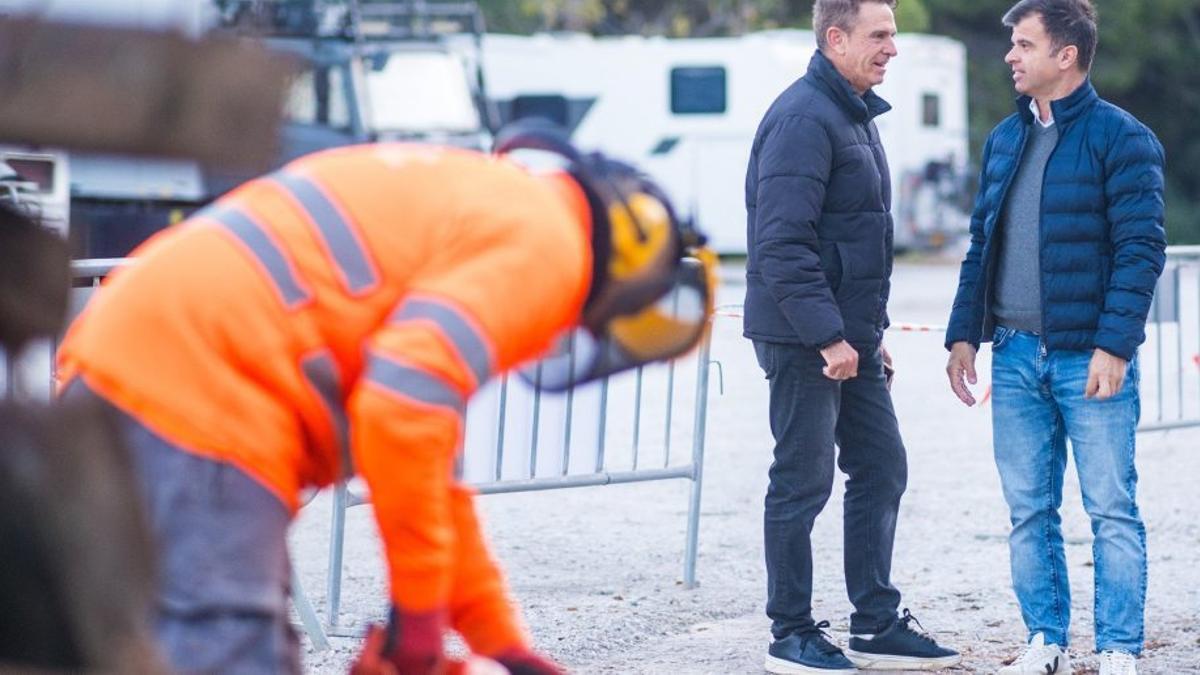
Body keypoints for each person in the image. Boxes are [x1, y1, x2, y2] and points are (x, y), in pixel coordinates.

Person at [57, 125, 716, 675]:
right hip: (201, 391)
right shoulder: (551, 247)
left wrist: (498, 641)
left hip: (137, 363)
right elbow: (402, 410)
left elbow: (433, 472)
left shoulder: (506, 205)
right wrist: (419, 617)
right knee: (229, 653)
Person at [944, 2, 1166, 674]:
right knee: (1029, 511)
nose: (1010, 56)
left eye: (1024, 44)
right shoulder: (1004, 139)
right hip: (1013, 355)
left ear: (1066, 55)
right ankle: (1046, 641)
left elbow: (1140, 251)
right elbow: (982, 242)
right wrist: (963, 335)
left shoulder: (1123, 138)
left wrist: (1115, 346)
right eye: (1013, 44)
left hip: (1088, 357)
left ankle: (1119, 648)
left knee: (1111, 509)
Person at [743, 0, 960, 672]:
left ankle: (875, 624)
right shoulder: (804, 119)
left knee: (881, 465)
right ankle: (791, 633)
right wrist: (828, 337)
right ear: (835, 38)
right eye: (880, 34)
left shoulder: (852, 114)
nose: (893, 47)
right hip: (805, 339)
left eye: (893, 34)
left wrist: (866, 335)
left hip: (846, 338)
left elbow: (851, 239)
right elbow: (782, 245)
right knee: (802, 481)